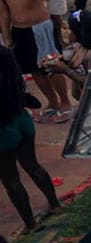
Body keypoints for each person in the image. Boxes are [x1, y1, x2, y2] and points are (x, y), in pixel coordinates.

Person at [0, 0, 66, 121]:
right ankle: (53, 101)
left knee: (52, 66)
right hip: (20, 30)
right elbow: (3, 14)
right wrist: (7, 39)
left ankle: (65, 101)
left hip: (40, 27)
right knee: (33, 69)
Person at [0, 46, 59, 231]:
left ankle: (30, 223)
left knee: (10, 179)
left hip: (3, 129)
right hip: (22, 119)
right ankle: (55, 204)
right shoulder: (5, 54)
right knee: (32, 165)